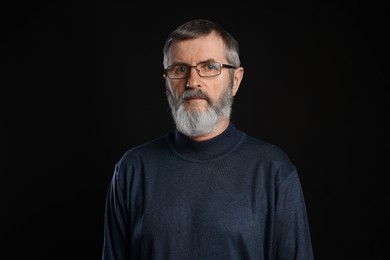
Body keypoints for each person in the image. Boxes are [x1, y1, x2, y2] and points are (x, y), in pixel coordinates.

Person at [102, 19, 315, 260]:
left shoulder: (274, 171)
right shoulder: (132, 170)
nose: (192, 82)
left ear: (235, 80)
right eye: (180, 69)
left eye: (209, 67)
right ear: (167, 81)